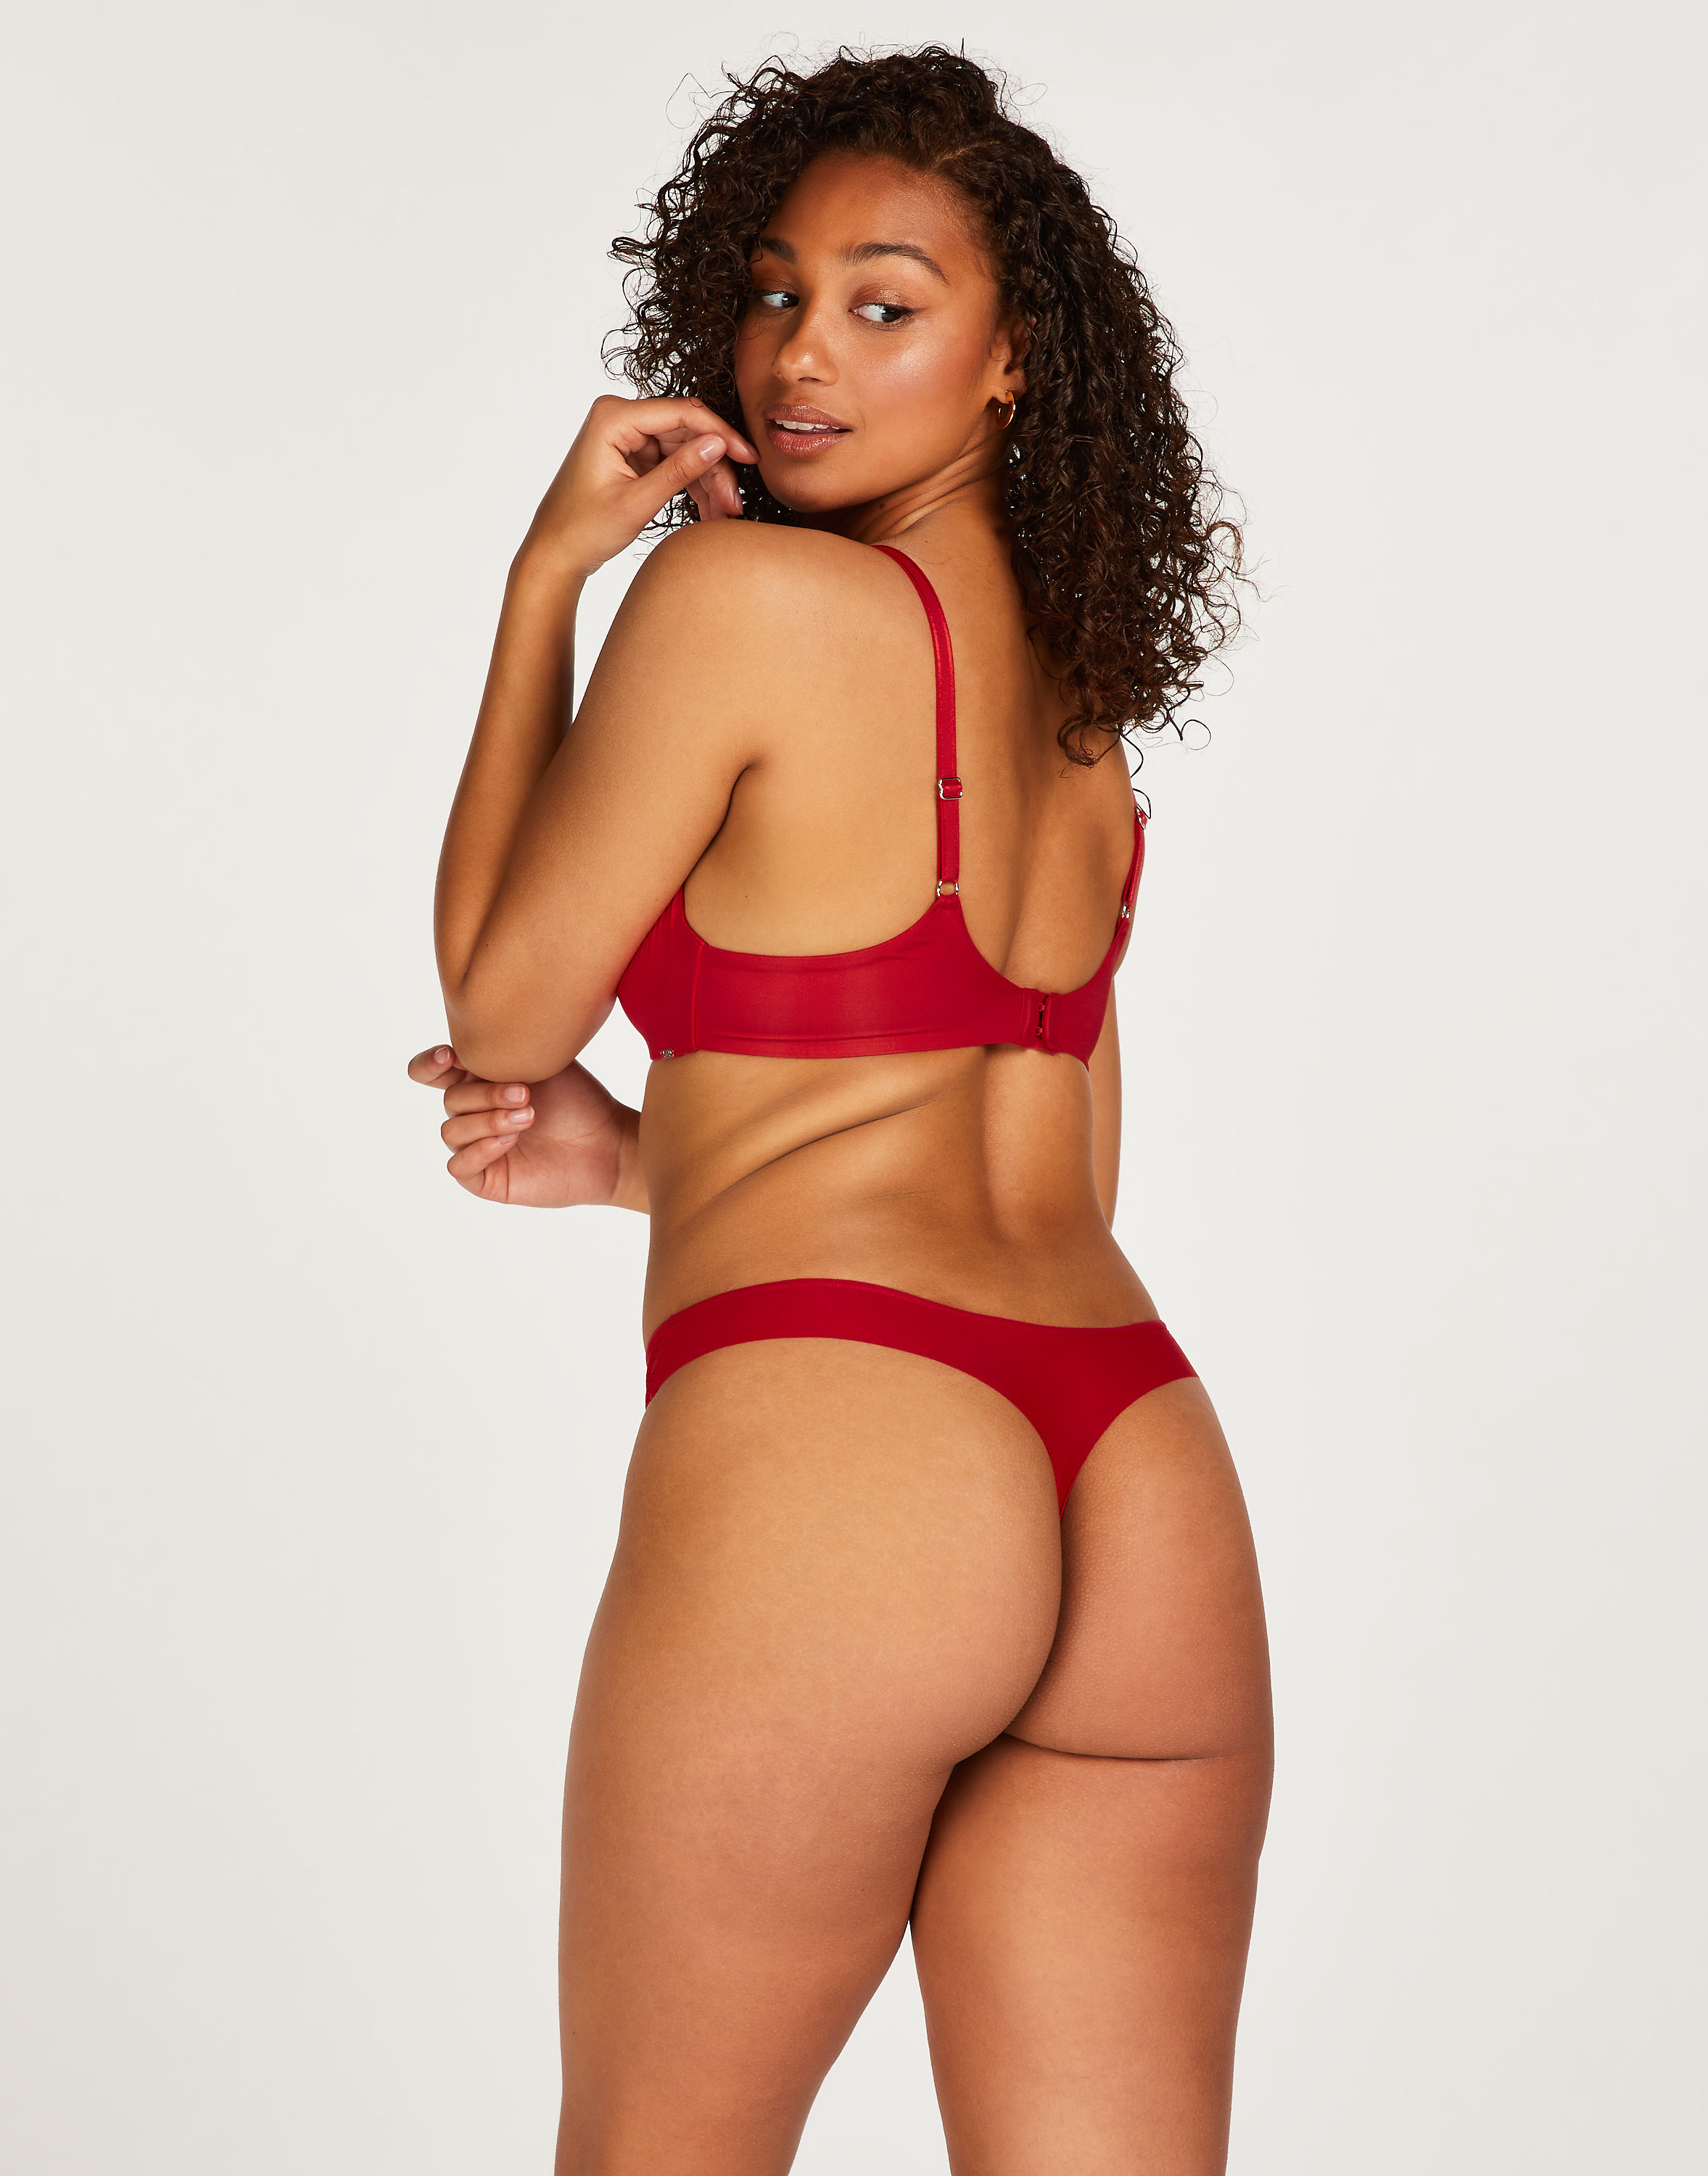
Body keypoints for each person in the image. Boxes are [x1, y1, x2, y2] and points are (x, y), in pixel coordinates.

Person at [408, 46, 1272, 2176]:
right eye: (777, 293)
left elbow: (502, 998)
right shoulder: (1079, 714)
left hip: (850, 1462)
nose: (800, 355)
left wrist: (548, 583)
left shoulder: (736, 599)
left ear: (1013, 359)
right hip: (1136, 1476)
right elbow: (1047, 1162)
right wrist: (657, 1167)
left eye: (884, 305)